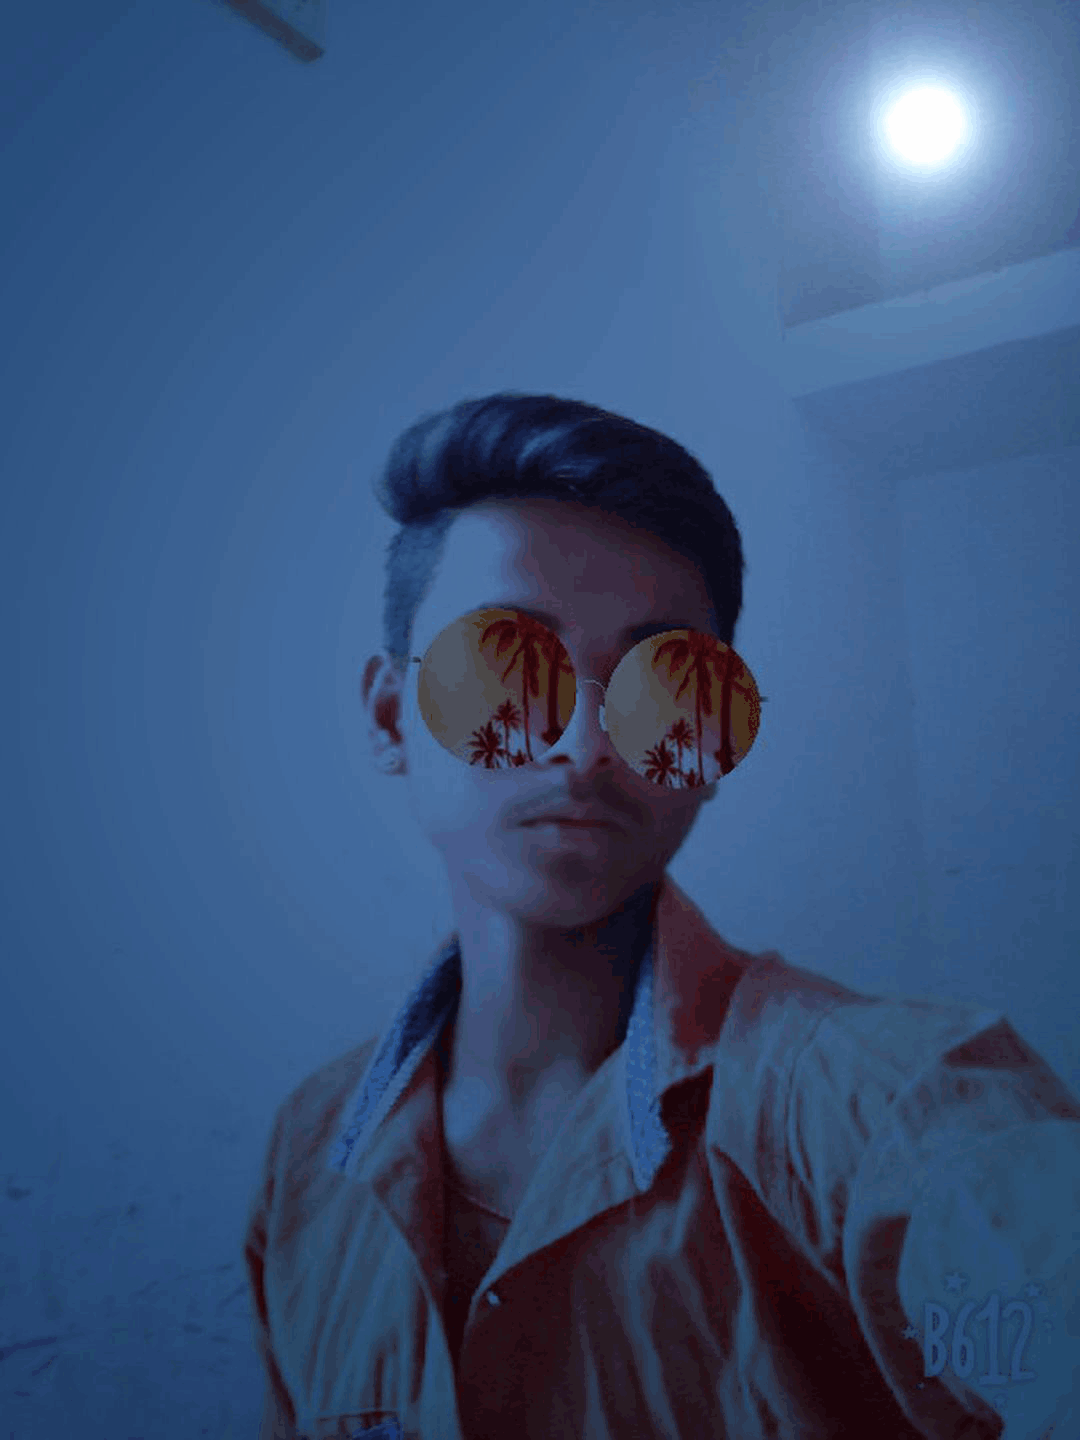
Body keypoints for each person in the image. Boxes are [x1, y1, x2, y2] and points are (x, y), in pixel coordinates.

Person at [244, 393, 1080, 1440]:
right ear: (388, 715)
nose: (588, 746)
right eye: (505, 665)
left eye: (667, 683)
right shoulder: (310, 1154)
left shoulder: (892, 1108)